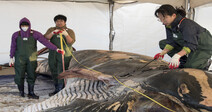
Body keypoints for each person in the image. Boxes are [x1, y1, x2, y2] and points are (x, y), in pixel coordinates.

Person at [9, 17, 64, 99]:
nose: (24, 27)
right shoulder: (16, 35)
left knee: (32, 74)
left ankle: (31, 93)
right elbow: (13, 46)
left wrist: (56, 49)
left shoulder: (35, 34)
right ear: (20, 26)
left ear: (29, 25)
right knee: (19, 75)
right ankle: (21, 92)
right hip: (20, 59)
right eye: (23, 25)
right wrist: (11, 57)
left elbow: (45, 42)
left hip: (32, 59)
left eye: (26, 25)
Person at [153, 4, 212, 70]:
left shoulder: (186, 24)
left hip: (202, 46)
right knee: (163, 43)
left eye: (164, 19)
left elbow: (191, 44)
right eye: (160, 19)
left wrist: (177, 55)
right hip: (188, 42)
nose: (163, 22)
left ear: (173, 15)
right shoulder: (168, 25)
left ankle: (205, 62)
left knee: (190, 67)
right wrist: (162, 53)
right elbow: (171, 41)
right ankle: (183, 61)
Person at [44, 14, 75, 96]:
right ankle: (56, 88)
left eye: (61, 21)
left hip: (65, 54)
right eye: (57, 21)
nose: (59, 23)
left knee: (62, 70)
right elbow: (46, 38)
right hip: (53, 53)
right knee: (53, 69)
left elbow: (71, 42)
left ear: (65, 22)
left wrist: (66, 34)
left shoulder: (69, 31)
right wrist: (52, 33)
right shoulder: (51, 29)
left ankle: (62, 89)